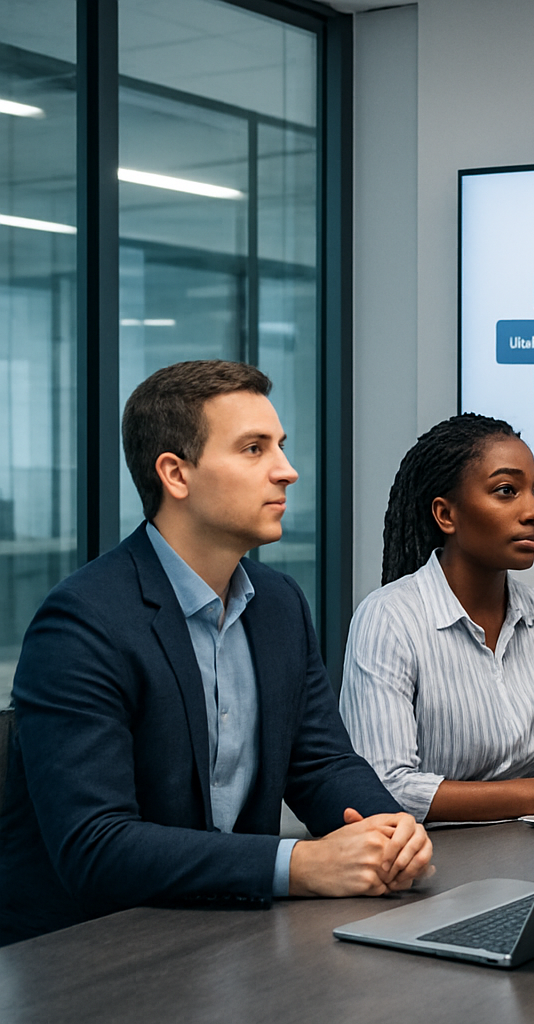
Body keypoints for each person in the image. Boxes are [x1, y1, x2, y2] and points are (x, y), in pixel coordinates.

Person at [0, 361, 433, 947]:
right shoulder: (82, 621)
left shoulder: (278, 603)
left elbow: (321, 764)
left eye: (280, 446)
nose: (287, 471)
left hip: (231, 935)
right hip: (94, 954)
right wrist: (298, 865)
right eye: (254, 449)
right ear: (176, 474)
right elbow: (96, 846)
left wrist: (391, 830)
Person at [340, 414, 534, 823]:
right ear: (445, 515)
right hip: (425, 857)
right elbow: (386, 786)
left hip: (530, 850)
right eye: (507, 491)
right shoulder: (388, 619)